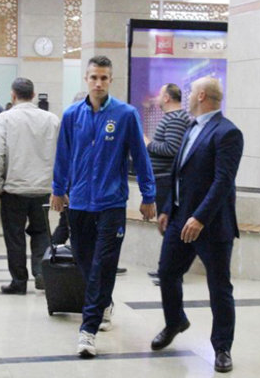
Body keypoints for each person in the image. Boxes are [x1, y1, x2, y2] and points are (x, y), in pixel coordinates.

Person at [51, 55, 156, 358]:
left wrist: (148, 195)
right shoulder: (72, 115)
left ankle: (88, 330)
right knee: (86, 262)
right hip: (80, 203)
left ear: (111, 80)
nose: (98, 83)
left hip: (111, 203)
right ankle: (104, 302)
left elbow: (140, 156)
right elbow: (63, 155)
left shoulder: (126, 115)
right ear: (86, 79)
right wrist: (58, 190)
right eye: (94, 77)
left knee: (103, 264)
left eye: (104, 78)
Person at [151, 77, 243, 374]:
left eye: (191, 92)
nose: (187, 96)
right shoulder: (191, 127)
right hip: (179, 219)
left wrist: (200, 217)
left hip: (211, 225)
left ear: (202, 96)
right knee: (167, 273)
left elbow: (223, 181)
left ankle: (222, 348)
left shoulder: (227, 132)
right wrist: (168, 208)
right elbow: (179, 174)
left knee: (219, 286)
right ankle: (175, 321)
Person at [0, 77, 60, 294]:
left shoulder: (4, 119)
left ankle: (19, 281)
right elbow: (62, 155)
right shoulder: (52, 120)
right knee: (41, 233)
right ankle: (41, 274)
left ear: (13, 95)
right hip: (43, 189)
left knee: (15, 237)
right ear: (33, 95)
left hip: (13, 189)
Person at [144, 84, 191, 284]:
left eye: (159, 95)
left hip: (166, 179)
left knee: (169, 225)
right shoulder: (174, 118)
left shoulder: (176, 119)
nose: (156, 99)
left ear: (166, 98)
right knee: (167, 226)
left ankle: (171, 271)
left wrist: (148, 144)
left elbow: (172, 148)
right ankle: (166, 268)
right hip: (163, 178)